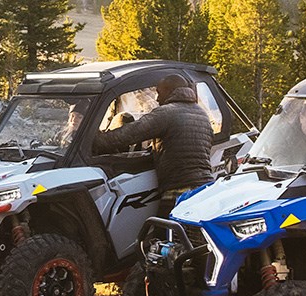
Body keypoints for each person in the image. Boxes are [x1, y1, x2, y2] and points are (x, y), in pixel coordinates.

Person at [91, 73, 214, 209]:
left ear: (169, 91)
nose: (157, 98)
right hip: (204, 186)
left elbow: (126, 136)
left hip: (179, 188)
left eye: (159, 92)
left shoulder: (166, 113)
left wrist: (94, 138)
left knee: (164, 229)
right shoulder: (202, 114)